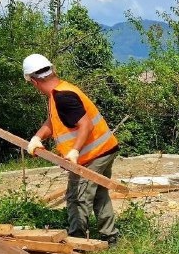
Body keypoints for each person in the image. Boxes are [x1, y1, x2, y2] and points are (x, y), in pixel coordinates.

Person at [22, 54, 120, 244]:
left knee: (77, 196)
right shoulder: (60, 91)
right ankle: (110, 236)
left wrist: (74, 151)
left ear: (33, 81)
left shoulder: (63, 97)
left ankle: (77, 239)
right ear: (53, 70)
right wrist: (37, 137)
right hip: (104, 149)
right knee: (99, 193)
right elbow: (54, 120)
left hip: (92, 154)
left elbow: (86, 125)